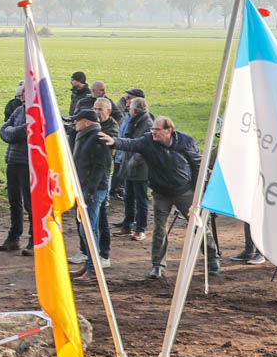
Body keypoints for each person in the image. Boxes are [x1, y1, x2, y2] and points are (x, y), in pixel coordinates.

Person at [100, 116, 220, 279]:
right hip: (161, 193)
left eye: (157, 129)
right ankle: (158, 266)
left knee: (198, 226)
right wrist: (114, 141)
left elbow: (197, 165)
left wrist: (199, 190)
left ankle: (212, 259)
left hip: (184, 192)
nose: (153, 132)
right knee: (159, 229)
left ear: (168, 131)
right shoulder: (148, 141)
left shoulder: (186, 142)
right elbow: (131, 144)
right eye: (153, 129)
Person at [68, 100, 117, 274]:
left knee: (89, 229)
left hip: (93, 191)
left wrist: (89, 191)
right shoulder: (86, 137)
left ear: (87, 123)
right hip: (89, 189)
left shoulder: (96, 139)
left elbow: (100, 167)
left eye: (78, 120)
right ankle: (89, 265)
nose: (75, 122)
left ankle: (91, 268)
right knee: (88, 228)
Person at [0, 91, 29, 253]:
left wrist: (13, 131)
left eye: (24, 91)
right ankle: (14, 237)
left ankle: (35, 239)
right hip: (13, 161)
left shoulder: (38, 113)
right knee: (14, 202)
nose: (20, 94)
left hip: (28, 164)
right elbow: (4, 130)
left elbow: (27, 130)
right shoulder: (19, 110)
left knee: (30, 204)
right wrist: (14, 132)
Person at [115, 94, 152, 239]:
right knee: (128, 197)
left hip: (140, 169)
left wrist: (132, 162)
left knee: (141, 199)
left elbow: (145, 148)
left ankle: (140, 229)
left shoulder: (147, 124)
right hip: (128, 165)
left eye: (130, 107)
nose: (128, 109)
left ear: (135, 110)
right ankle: (127, 225)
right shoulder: (132, 121)